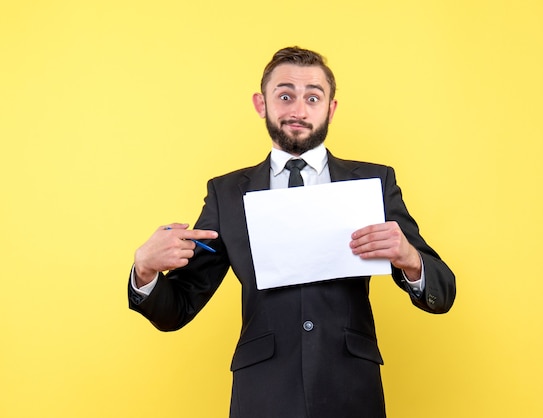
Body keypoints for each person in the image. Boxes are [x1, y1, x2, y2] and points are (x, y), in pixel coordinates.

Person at [128, 46, 456, 418]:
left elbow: (443, 292)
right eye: (285, 96)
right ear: (261, 103)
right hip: (263, 392)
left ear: (330, 108)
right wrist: (145, 271)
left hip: (351, 389)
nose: (298, 111)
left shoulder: (374, 182)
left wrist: (411, 260)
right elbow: (179, 307)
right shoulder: (227, 193)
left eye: (312, 98)